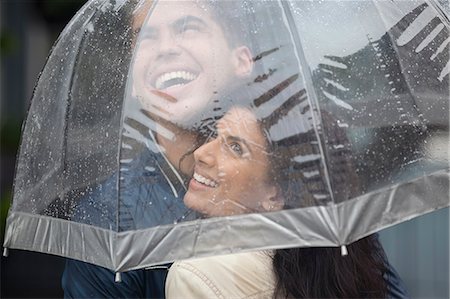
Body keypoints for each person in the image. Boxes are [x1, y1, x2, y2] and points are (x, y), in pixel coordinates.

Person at [62, 0, 254, 298]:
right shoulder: (109, 218)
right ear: (134, 82)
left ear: (241, 60)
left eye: (188, 28)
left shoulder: (296, 185)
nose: (165, 48)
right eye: (146, 36)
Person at [166, 103, 408, 298]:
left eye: (236, 148)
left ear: (275, 195)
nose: (201, 153)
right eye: (214, 136)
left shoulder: (197, 275)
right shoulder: (339, 269)